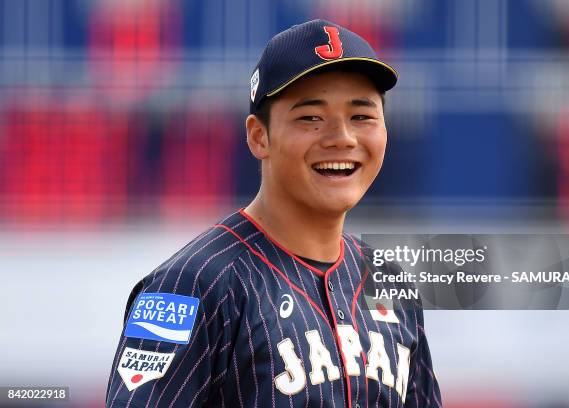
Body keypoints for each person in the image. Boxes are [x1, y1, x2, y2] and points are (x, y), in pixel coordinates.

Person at [105, 19, 442, 408]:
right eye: (310, 118)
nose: (342, 137)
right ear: (258, 136)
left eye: (362, 116)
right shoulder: (191, 285)